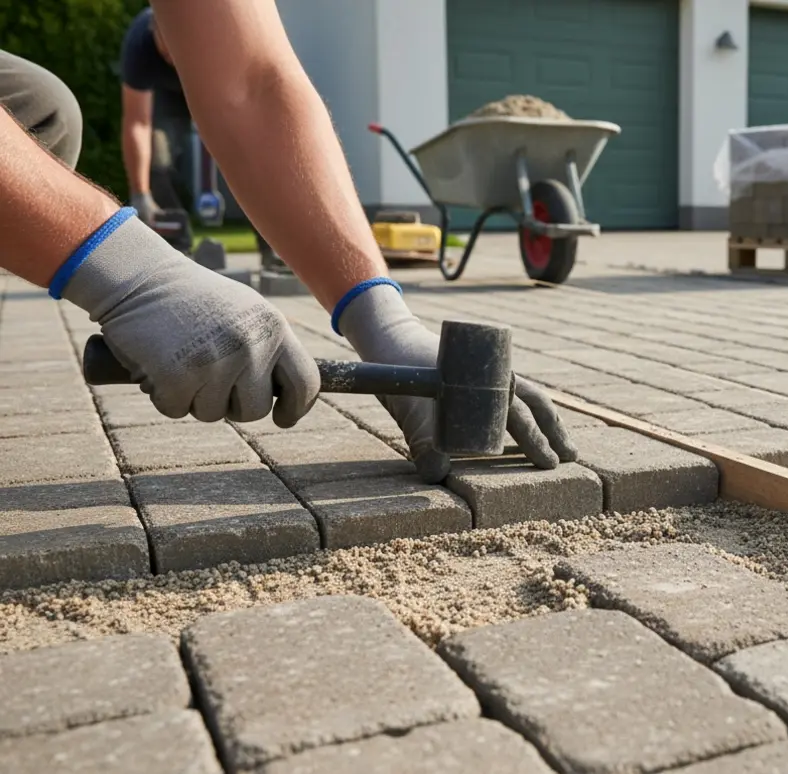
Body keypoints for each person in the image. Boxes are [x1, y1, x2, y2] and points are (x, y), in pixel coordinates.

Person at [0, 0, 576, 484]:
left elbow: (252, 82)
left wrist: (383, 323)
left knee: (42, 115)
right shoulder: (139, 45)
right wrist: (131, 273)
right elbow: (138, 124)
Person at [118, 5, 278, 266]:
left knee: (246, 160)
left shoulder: (220, 41)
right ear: (154, 32)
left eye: (176, 45)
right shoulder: (140, 46)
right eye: (165, 47)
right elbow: (138, 122)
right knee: (157, 160)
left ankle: (273, 248)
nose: (171, 54)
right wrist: (140, 193)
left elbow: (241, 108)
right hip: (167, 98)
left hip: (212, 84)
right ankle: (178, 253)